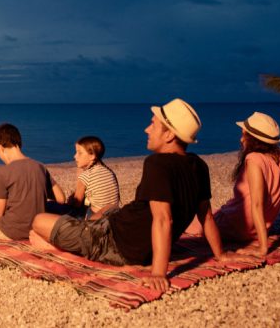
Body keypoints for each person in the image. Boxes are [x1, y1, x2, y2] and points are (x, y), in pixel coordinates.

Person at [31, 98, 235, 293]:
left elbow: (164, 219)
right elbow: (206, 217)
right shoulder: (198, 165)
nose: (147, 129)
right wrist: (220, 254)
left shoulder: (158, 164)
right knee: (97, 215)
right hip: (117, 224)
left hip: (112, 243)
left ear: (169, 135)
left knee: (37, 221)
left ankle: (64, 244)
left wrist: (158, 273)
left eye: (153, 125)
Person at [200, 112, 280, 256]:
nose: (241, 139)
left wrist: (263, 248)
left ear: (252, 139)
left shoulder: (254, 159)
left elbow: (256, 204)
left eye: (244, 134)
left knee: (197, 222)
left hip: (234, 225)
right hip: (255, 231)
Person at [67, 135, 120, 219]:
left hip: (96, 217)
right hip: (115, 215)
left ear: (92, 156)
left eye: (79, 153)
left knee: (71, 211)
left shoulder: (86, 176)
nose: (75, 156)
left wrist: (69, 200)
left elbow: (77, 203)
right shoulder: (108, 171)